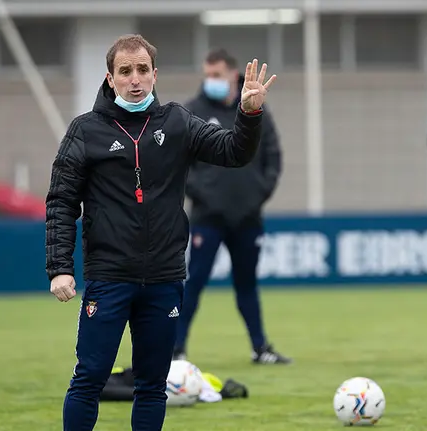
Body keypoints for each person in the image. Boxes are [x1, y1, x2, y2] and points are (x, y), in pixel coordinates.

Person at [45, 34, 276, 431]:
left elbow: (233, 152)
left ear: (154, 74)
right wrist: (59, 267)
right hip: (109, 277)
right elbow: (61, 202)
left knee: (152, 386)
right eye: (125, 71)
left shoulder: (177, 121)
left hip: (165, 277)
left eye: (142, 70)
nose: (134, 79)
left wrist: (249, 115)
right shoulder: (85, 131)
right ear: (110, 78)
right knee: (89, 379)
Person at [173, 48, 290, 365]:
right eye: (207, 75)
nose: (210, 81)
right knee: (193, 283)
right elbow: (179, 165)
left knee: (247, 286)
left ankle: (260, 348)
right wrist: (204, 194)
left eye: (216, 75)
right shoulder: (192, 111)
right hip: (206, 218)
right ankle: (176, 350)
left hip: (247, 217)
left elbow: (273, 157)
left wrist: (257, 194)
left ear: (233, 75)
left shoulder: (254, 108)